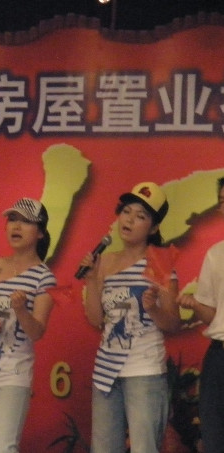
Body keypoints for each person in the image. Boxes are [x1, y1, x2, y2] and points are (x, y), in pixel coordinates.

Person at [80, 181, 182, 453]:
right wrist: (91, 280)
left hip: (144, 371)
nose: (129, 220)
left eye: (140, 216)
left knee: (144, 447)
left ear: (154, 228)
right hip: (106, 370)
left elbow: (173, 323)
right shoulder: (105, 261)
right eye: (126, 212)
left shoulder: (159, 262)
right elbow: (95, 319)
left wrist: (153, 309)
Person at [0, 198, 56, 453]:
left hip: (13, 371)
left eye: (25, 221)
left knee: (3, 448)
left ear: (40, 232)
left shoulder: (44, 277)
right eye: (12, 219)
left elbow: (37, 332)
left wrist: (21, 310)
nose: (16, 226)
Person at [176, 176, 224, 453]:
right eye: (222, 201)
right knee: (215, 437)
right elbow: (212, 316)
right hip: (219, 356)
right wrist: (194, 305)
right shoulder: (215, 254)